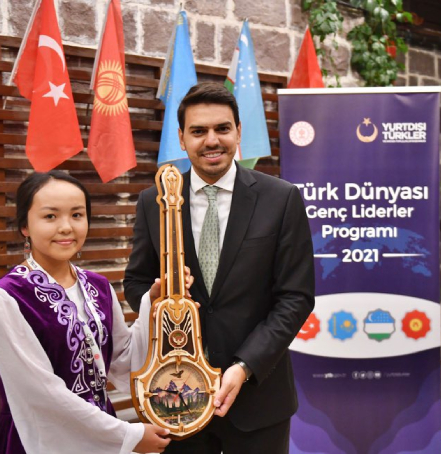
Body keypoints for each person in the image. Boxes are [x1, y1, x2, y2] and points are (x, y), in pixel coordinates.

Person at [124, 82, 315, 453]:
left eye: (222, 129)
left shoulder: (281, 199)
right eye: (198, 131)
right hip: (176, 398)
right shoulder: (154, 202)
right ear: (182, 138)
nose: (212, 140)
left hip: (259, 399)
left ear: (238, 132)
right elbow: (136, 282)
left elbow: (296, 297)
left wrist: (244, 366)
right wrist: (156, 295)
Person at [0, 170, 177, 454]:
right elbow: (40, 393)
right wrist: (127, 435)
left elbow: (124, 360)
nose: (66, 227)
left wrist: (153, 305)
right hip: (36, 437)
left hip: (99, 431)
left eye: (77, 215)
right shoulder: (5, 297)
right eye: (50, 216)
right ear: (25, 225)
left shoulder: (98, 286)